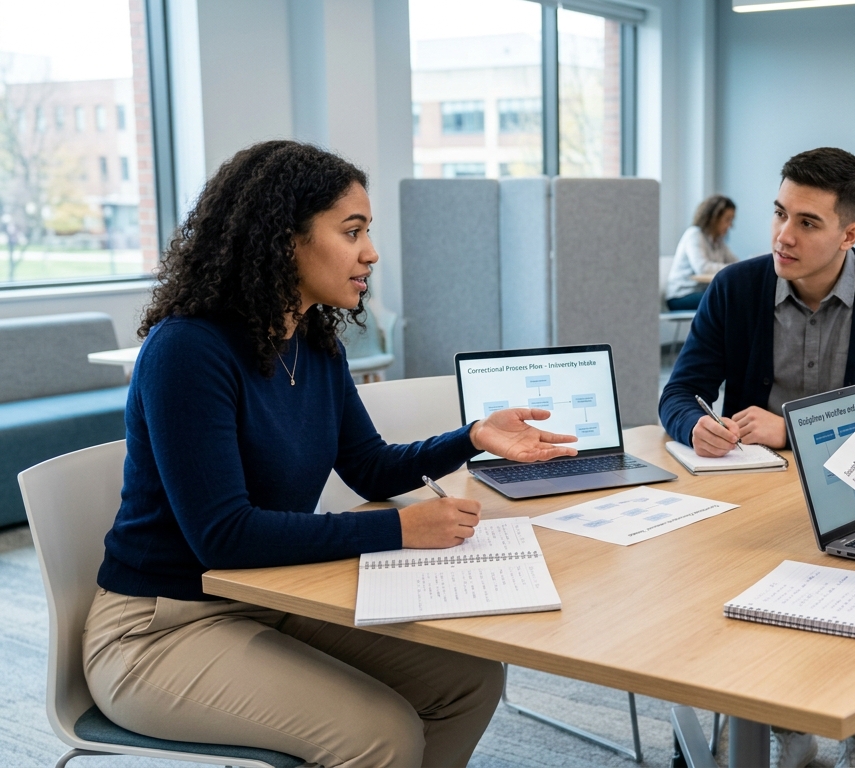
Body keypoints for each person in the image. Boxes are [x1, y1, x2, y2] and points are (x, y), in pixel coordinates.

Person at [83, 140, 579, 767]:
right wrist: (397, 528)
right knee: (382, 736)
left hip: (268, 598)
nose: (371, 252)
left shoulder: (314, 347)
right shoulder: (188, 351)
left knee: (469, 680)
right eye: (352, 231)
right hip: (159, 630)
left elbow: (369, 464)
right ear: (283, 237)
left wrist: (473, 435)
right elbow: (223, 537)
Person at [659, 147, 855, 768]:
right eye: (780, 214)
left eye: (808, 223)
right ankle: (762, 713)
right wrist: (696, 424)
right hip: (751, 493)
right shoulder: (735, 287)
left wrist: (789, 428)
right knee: (728, 582)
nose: (785, 236)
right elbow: (677, 393)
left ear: (850, 234)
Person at [665, 194, 738, 311]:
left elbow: (736, 263)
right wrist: (732, 268)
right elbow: (703, 268)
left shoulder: (718, 240)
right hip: (681, 295)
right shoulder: (694, 235)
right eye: (727, 219)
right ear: (714, 218)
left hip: (703, 292)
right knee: (728, 299)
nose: (730, 225)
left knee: (737, 296)